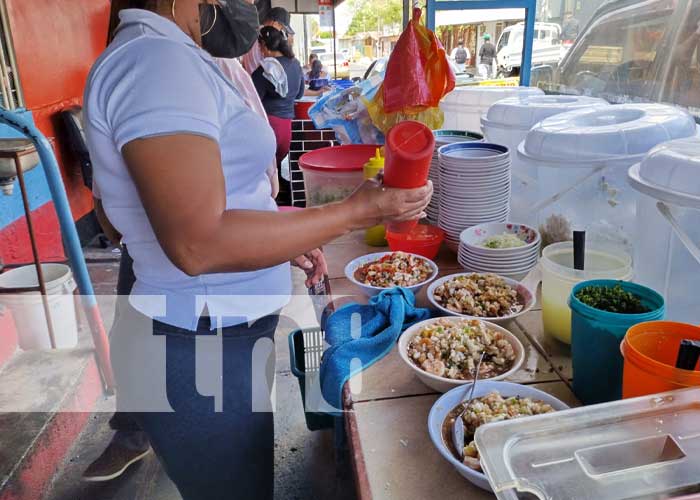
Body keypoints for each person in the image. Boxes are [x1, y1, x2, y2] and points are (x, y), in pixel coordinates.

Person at [83, 2, 432, 499]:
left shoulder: (164, 56)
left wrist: (281, 236)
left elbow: (130, 220)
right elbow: (196, 243)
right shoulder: (156, 64)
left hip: (213, 337)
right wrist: (358, 211)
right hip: (200, 346)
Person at [252, 26, 305, 205]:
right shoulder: (295, 64)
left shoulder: (265, 70)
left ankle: (269, 211)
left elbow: (252, 101)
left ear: (265, 46)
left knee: (265, 177)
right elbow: (298, 94)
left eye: (260, 48)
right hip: (286, 129)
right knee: (275, 172)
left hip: (269, 127)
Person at [241, 6, 295, 75]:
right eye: (281, 28)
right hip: (264, 81)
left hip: (251, 80)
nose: (282, 33)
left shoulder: (251, 33)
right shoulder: (267, 40)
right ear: (275, 24)